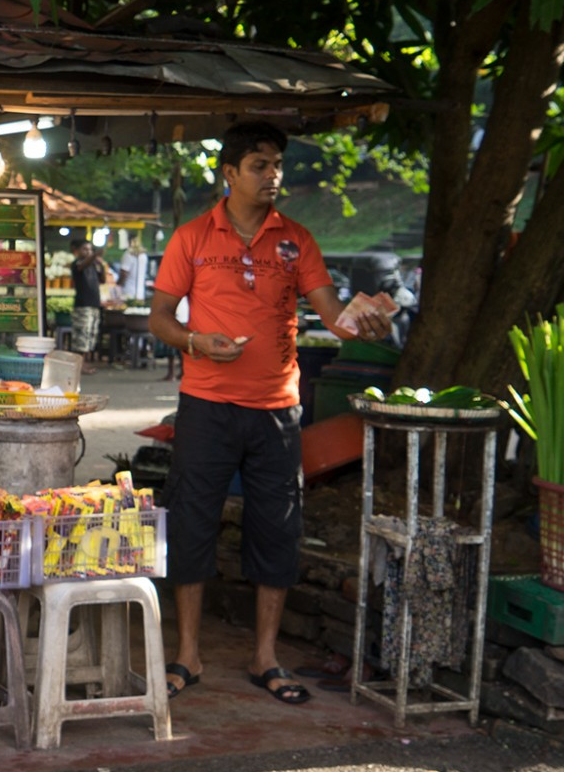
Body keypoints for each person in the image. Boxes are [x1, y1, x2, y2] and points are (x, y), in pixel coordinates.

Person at [147, 121, 392, 707]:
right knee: (191, 523)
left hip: (278, 410)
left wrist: (369, 323)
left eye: (277, 164)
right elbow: (159, 317)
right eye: (260, 165)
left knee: (277, 530)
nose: (273, 175)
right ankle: (188, 654)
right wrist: (196, 343)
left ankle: (265, 657)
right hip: (205, 405)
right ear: (229, 173)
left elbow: (333, 315)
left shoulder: (297, 240)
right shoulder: (192, 236)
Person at [69, 239, 111, 359]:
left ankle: (85, 363)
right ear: (77, 251)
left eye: (90, 249)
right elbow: (82, 266)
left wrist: (100, 264)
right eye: (85, 249)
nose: (88, 252)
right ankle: (80, 365)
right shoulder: (77, 264)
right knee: (81, 336)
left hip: (94, 304)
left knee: (90, 336)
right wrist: (94, 255)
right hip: (83, 305)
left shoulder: (94, 265)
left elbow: (102, 280)